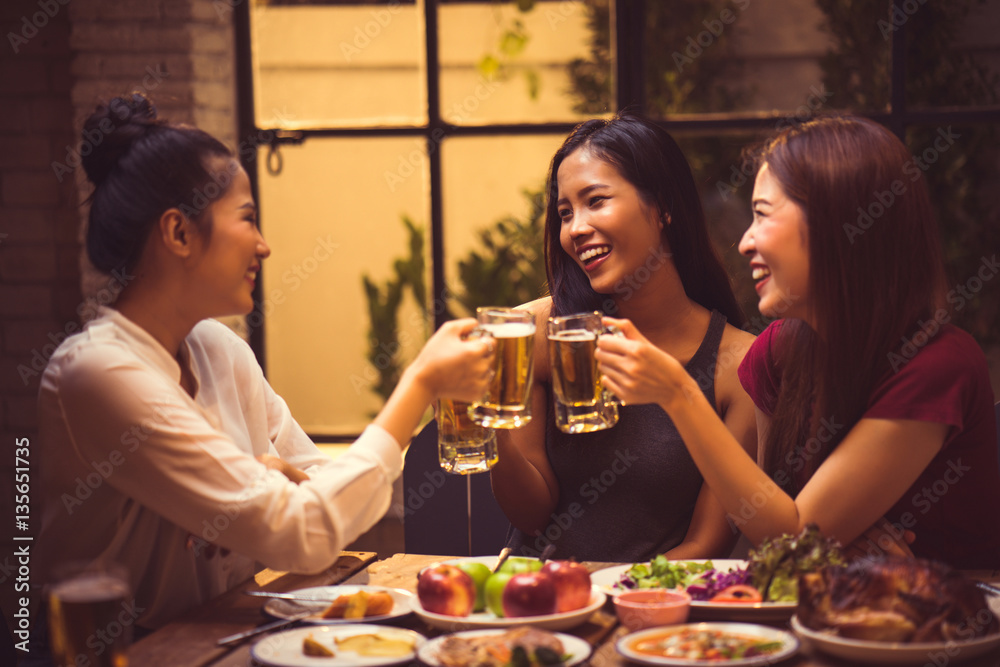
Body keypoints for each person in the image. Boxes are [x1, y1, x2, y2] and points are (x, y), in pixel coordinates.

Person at [33, 93, 495, 633]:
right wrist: (419, 383)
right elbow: (305, 531)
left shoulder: (216, 347)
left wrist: (269, 486)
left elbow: (319, 488)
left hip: (217, 637)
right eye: (248, 219)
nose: (264, 246)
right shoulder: (98, 373)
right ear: (179, 233)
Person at [596, 114, 1000, 568]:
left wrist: (679, 392)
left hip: (955, 620)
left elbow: (791, 538)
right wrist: (826, 538)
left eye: (762, 215)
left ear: (839, 225)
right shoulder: (777, 352)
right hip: (826, 612)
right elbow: (774, 529)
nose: (745, 242)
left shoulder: (938, 365)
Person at [489, 112, 758, 562]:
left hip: (654, 613)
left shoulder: (738, 364)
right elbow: (531, 514)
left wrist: (604, 593)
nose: (575, 229)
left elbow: (707, 545)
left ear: (664, 206)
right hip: (537, 606)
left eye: (596, 201)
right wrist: (494, 428)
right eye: (564, 212)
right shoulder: (533, 334)